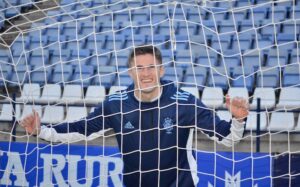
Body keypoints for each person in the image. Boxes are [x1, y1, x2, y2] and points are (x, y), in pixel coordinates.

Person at [20, 45, 249, 187]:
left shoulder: (184, 101)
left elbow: (228, 138)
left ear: (161, 70)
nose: (146, 74)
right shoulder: (116, 104)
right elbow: (81, 129)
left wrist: (238, 120)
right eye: (139, 68)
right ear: (130, 72)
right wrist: (41, 130)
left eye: (151, 67)